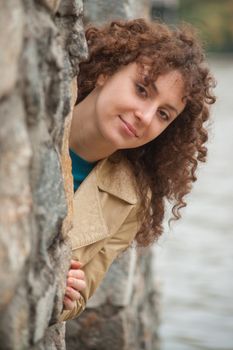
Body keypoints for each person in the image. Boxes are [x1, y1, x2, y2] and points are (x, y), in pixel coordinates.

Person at [59, 18, 216, 321]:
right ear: (106, 71)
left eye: (163, 114)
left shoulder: (131, 200)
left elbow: (79, 299)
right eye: (142, 89)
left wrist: (67, 291)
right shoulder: (28, 109)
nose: (145, 117)